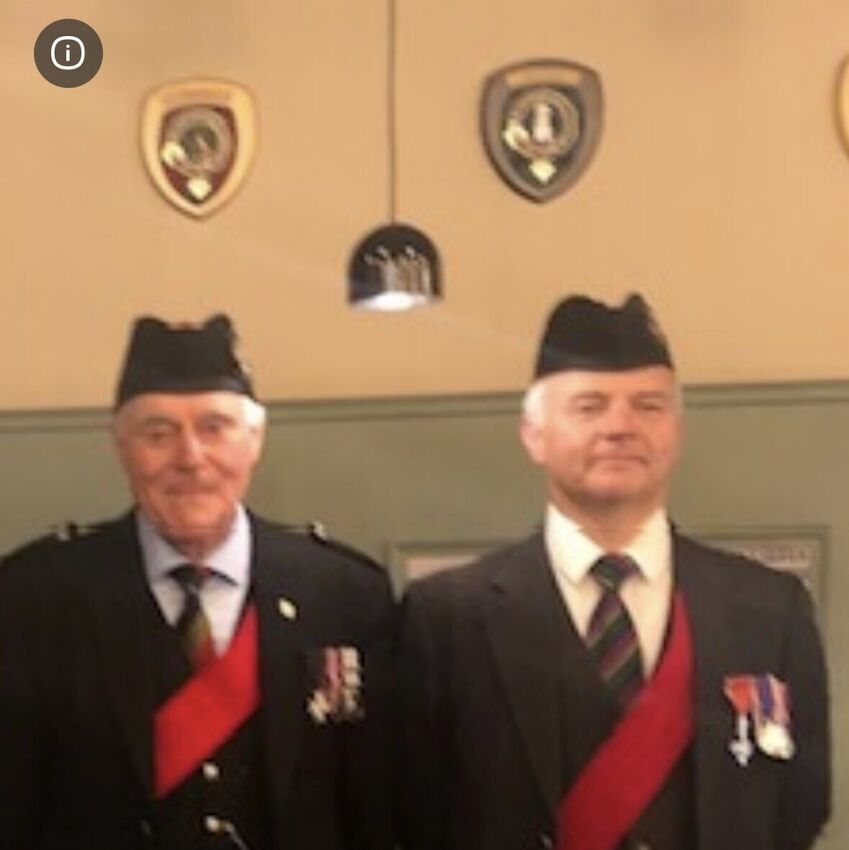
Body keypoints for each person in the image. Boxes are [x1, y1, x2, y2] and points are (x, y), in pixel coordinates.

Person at [397, 294, 831, 850]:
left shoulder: (770, 610)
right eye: (589, 406)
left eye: (648, 406)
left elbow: (800, 806)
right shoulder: (448, 616)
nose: (621, 426)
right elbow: (413, 812)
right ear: (533, 435)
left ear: (677, 432)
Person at [0, 315, 396, 850]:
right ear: (120, 446)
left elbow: (383, 809)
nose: (190, 458)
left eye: (214, 428)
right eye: (158, 434)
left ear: (254, 440)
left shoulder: (345, 594)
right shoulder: (36, 597)